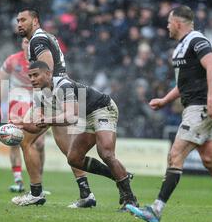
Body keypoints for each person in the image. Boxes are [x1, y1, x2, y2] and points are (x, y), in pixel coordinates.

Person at [126, 5, 212, 222]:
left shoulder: (196, 40)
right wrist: (165, 100)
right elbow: (185, 84)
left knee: (175, 155)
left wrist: (211, 100)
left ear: (177, 23)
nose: (166, 26)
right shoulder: (181, 47)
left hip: (199, 108)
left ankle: (155, 210)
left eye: (168, 22)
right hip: (194, 107)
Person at [12, 8, 133, 208]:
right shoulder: (45, 37)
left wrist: (45, 88)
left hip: (55, 91)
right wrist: (19, 122)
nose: (19, 24)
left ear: (35, 21)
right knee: (70, 152)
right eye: (17, 20)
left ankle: (36, 193)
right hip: (56, 90)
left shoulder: (37, 40)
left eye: (23, 20)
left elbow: (46, 67)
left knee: (28, 142)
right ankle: (89, 191)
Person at [25, 60, 139, 209]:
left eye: (35, 75)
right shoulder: (39, 93)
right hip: (86, 117)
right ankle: (120, 176)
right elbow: (37, 126)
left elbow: (71, 116)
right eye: (30, 76)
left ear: (48, 73)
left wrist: (46, 120)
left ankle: (130, 199)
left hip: (102, 108)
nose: (32, 79)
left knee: (106, 154)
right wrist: (20, 125)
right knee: (74, 158)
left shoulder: (63, 86)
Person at [0, 37, 45, 193]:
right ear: (21, 44)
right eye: (25, 42)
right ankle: (18, 180)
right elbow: (0, 80)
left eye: (31, 42)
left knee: (39, 143)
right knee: (14, 139)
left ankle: (38, 181)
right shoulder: (13, 60)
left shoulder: (42, 61)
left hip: (37, 102)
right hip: (16, 101)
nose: (28, 45)